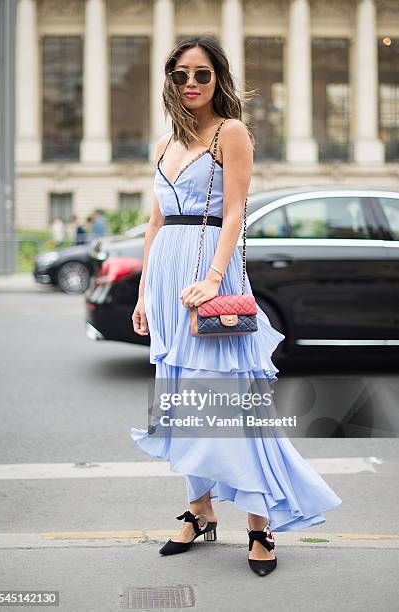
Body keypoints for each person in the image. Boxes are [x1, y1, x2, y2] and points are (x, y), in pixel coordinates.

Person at [129, 34, 342, 577]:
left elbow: (233, 214)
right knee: (182, 401)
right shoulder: (163, 144)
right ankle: (200, 513)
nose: (192, 84)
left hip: (210, 280)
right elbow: (155, 224)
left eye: (201, 74)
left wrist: (214, 278)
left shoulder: (232, 132)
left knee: (230, 406)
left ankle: (259, 522)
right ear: (170, 82)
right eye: (181, 75)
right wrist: (142, 291)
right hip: (168, 283)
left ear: (217, 78)